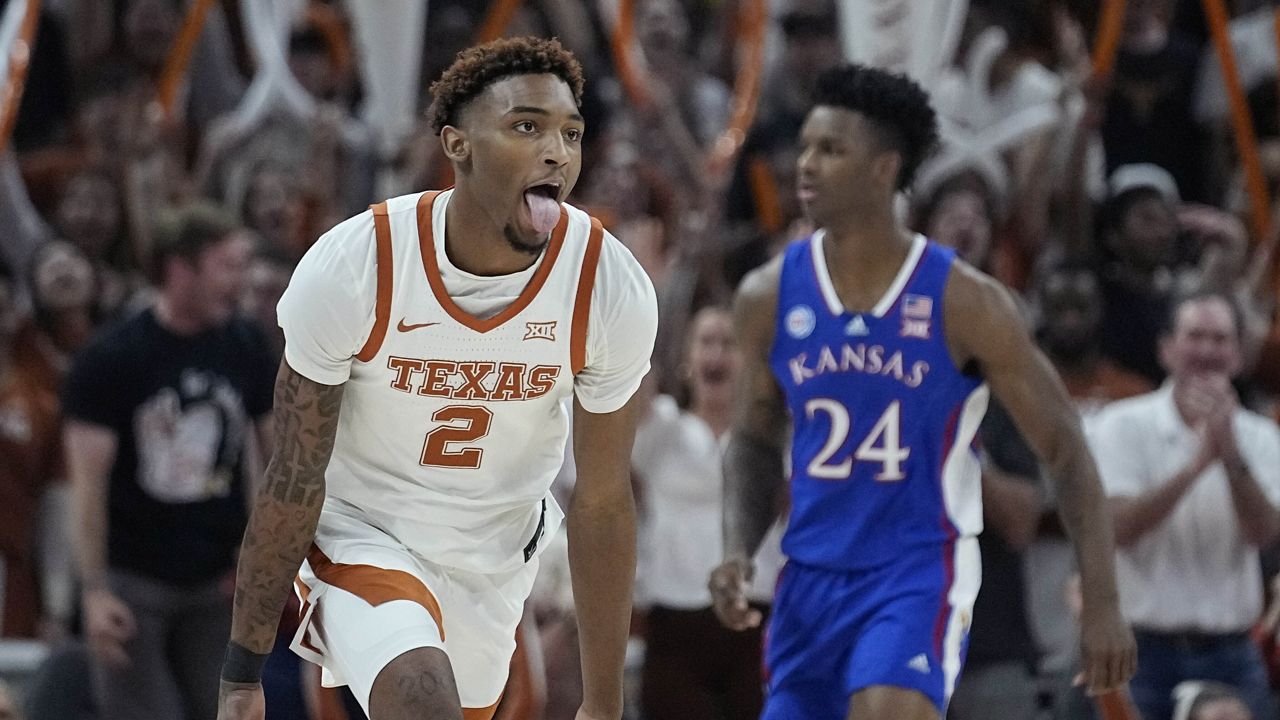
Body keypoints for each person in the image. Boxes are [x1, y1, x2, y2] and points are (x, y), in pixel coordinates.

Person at [217, 37, 658, 720]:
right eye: (525, 127)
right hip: (366, 534)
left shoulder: (606, 282)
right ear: (457, 144)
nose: (557, 152)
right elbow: (294, 472)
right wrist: (242, 669)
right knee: (422, 701)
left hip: (497, 557)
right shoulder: (356, 266)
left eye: (570, 133)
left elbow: (602, 501)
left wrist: (603, 702)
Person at [708, 63, 1135, 720]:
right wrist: (738, 545)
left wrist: (1103, 602)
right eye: (808, 146)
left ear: (884, 169)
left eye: (832, 149)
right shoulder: (765, 297)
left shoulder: (966, 301)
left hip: (916, 573)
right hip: (811, 580)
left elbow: (1066, 446)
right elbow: (756, 438)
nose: (807, 163)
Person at [62, 203, 274, 720]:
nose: (243, 282)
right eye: (229, 266)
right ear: (181, 269)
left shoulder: (246, 344)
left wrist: (264, 563)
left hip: (217, 580)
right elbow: (86, 487)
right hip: (133, 582)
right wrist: (93, 593)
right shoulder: (111, 358)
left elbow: (280, 461)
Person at [1089, 291, 1280, 720]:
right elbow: (1117, 528)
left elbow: (1265, 535)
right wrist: (1195, 467)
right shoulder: (1119, 426)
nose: (1208, 351)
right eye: (1196, 336)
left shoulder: (1262, 438)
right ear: (1167, 349)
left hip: (1231, 648)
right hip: (1141, 651)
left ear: (1237, 355)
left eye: (1220, 339)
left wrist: (1230, 455)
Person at [632, 305, 783, 720]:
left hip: (755, 620)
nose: (716, 354)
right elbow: (633, 379)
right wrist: (655, 296)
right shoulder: (662, 428)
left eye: (729, 343)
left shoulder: (770, 436)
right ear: (686, 360)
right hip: (675, 626)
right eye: (706, 342)